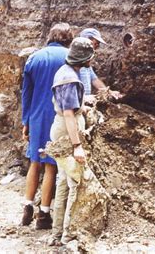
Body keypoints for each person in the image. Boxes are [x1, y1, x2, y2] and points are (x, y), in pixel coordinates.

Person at [21, 23, 73, 229]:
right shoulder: (69, 58)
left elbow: (26, 93)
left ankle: (27, 206)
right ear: (67, 38)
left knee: (35, 162)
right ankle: (44, 214)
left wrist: (26, 121)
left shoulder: (34, 58)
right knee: (51, 165)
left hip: (35, 116)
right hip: (58, 116)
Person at [48, 37, 94, 245]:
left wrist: (82, 105)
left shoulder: (65, 72)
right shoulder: (70, 79)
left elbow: (70, 106)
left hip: (64, 128)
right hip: (67, 132)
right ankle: (68, 234)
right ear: (83, 58)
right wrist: (77, 146)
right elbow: (68, 114)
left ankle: (56, 233)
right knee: (75, 182)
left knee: (63, 182)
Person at [78, 28, 121, 99]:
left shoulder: (86, 60)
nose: (97, 46)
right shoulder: (74, 59)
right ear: (87, 40)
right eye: (96, 43)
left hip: (84, 101)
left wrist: (109, 92)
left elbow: (94, 80)